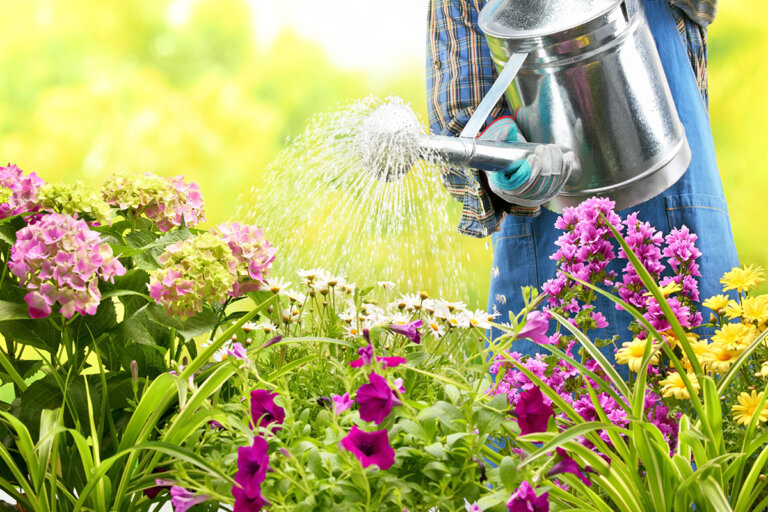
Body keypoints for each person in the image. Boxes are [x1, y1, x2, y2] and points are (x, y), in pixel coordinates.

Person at [426, 0, 739, 358]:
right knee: (555, 397)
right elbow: (461, 92)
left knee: (697, 392)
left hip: (675, 193)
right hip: (550, 219)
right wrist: (496, 149)